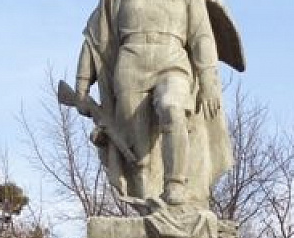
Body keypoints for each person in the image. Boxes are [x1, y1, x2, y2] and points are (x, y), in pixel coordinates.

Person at [74, 0, 239, 208]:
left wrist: (208, 80)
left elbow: (202, 37)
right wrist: (81, 85)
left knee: (173, 108)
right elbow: (95, 39)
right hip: (130, 65)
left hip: (173, 61)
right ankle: (148, 208)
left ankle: (175, 185)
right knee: (137, 152)